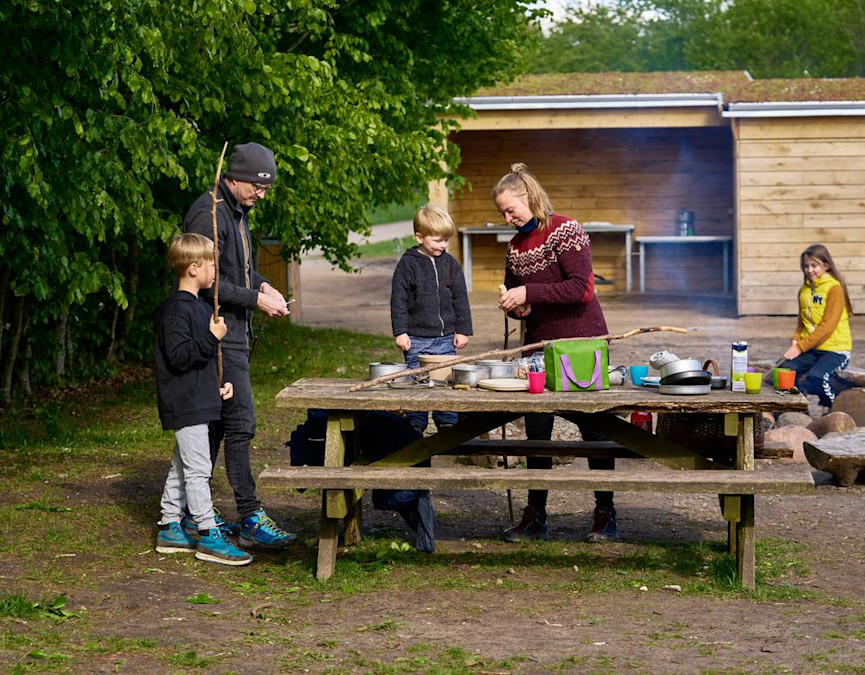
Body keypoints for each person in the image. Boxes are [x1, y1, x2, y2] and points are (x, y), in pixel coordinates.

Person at [494, 162, 618, 543]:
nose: (508, 217)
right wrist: (516, 306)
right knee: (536, 430)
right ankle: (536, 514)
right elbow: (521, 294)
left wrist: (530, 293)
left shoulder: (565, 230)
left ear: (529, 197)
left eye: (511, 209)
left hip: (582, 343)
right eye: (502, 212)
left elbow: (581, 289)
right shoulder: (515, 247)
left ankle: (605, 513)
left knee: (593, 429)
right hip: (539, 345)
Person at [183, 142, 295, 550]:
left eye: (266, 189)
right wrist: (255, 299)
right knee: (240, 424)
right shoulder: (208, 213)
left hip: (234, 332)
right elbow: (204, 279)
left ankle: (186, 514)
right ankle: (249, 515)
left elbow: (238, 270)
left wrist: (263, 285)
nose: (261, 196)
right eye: (258, 188)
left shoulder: (237, 211)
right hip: (216, 334)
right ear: (236, 177)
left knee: (213, 428)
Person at [154, 233, 252, 566]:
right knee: (198, 470)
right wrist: (212, 336)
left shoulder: (198, 306)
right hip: (185, 403)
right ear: (193, 268)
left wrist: (218, 386)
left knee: (183, 465)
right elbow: (181, 357)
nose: (216, 270)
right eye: (212, 264)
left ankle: (169, 525)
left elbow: (202, 361)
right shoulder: (175, 311)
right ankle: (208, 534)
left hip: (199, 398)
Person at [391, 205, 473, 434]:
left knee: (445, 381)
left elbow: (460, 298)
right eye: (438, 240)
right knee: (417, 381)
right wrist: (401, 331)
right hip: (416, 338)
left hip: (445, 338)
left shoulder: (450, 264)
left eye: (446, 240)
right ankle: (415, 425)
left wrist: (462, 330)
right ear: (419, 237)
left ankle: (447, 422)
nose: (443, 245)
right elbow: (398, 300)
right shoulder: (408, 264)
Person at [780, 244, 853, 410]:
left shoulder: (834, 288)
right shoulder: (804, 291)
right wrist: (796, 339)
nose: (810, 270)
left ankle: (834, 409)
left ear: (826, 265)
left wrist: (800, 347)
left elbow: (827, 327)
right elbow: (802, 321)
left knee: (817, 377)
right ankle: (798, 409)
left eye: (814, 265)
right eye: (806, 266)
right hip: (812, 348)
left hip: (835, 349)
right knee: (785, 372)